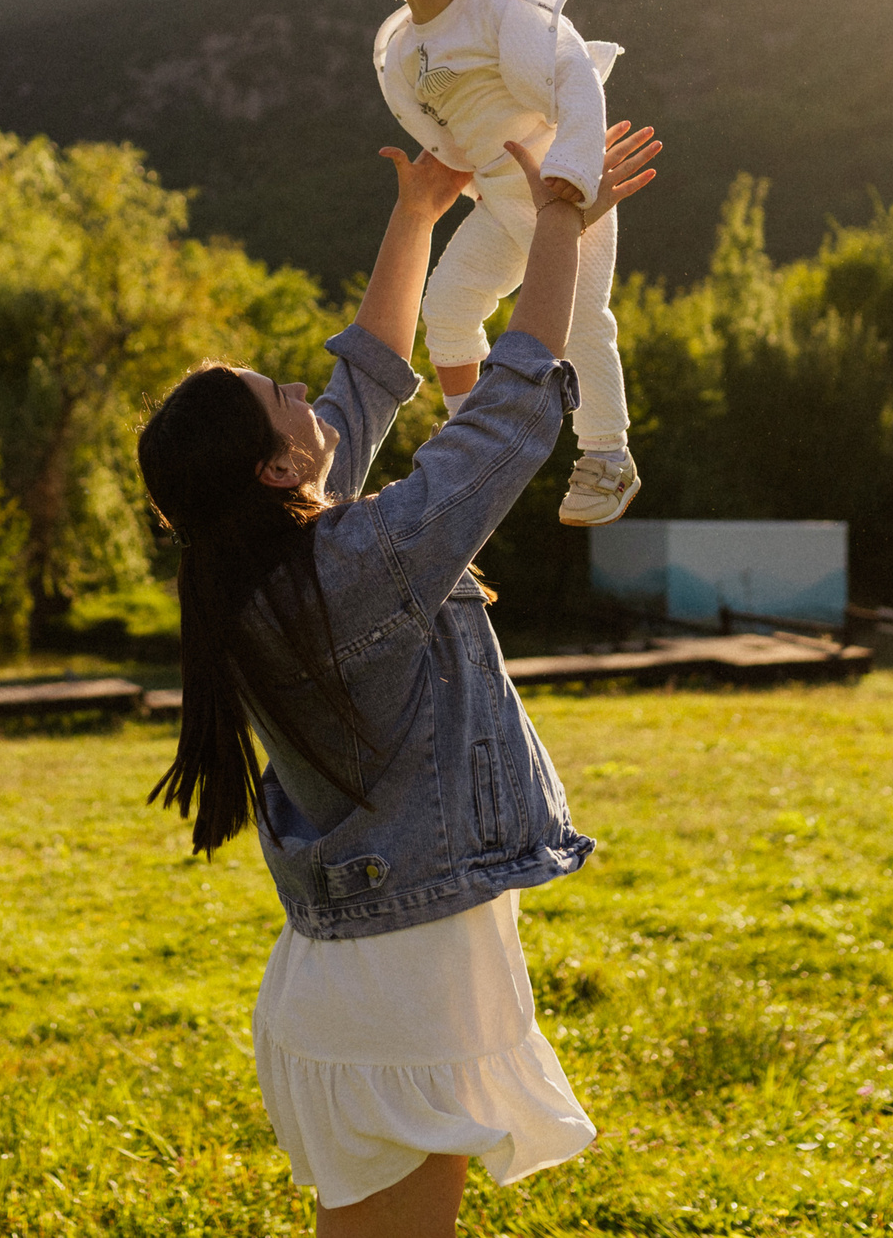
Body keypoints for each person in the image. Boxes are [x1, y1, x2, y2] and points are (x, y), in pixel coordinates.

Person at [136, 120, 663, 1236]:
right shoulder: (355, 566)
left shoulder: (256, 568)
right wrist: (555, 223)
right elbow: (513, 413)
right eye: (283, 395)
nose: (304, 389)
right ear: (279, 468)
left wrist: (419, 211)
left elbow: (367, 386)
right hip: (401, 987)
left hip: (350, 973)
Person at [364, 0, 642, 527]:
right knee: (448, 308)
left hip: (568, 192)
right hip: (498, 202)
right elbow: (453, 122)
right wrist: (441, 173)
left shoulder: (496, 11)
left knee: (582, 322)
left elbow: (573, 78)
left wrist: (574, 179)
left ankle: (608, 454)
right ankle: (469, 434)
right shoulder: (403, 50)